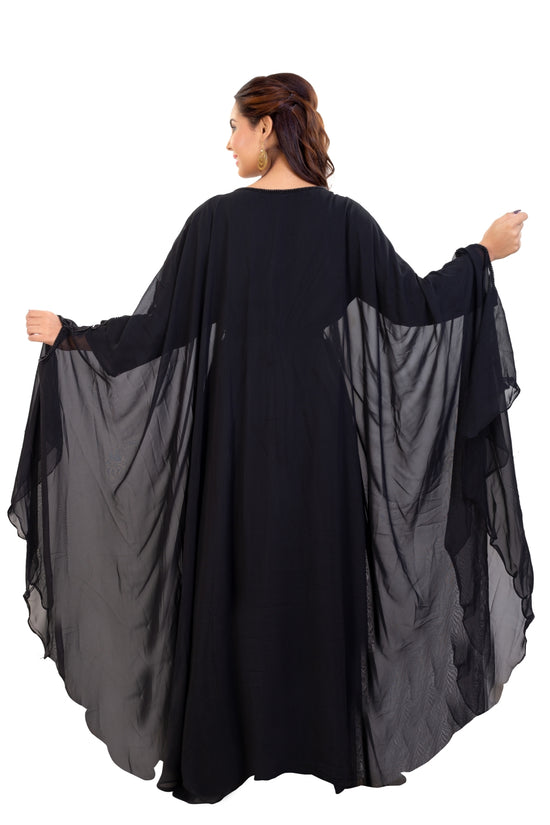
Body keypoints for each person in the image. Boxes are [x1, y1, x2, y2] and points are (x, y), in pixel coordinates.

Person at [10, 72, 534, 805]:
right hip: (319, 425)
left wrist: (76, 337)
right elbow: (420, 304)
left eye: (234, 125)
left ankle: (230, 746)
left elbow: (159, 330)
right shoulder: (340, 222)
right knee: (309, 568)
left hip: (236, 425)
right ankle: (314, 739)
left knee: (236, 570)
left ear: (267, 127)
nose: (227, 142)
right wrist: (479, 255)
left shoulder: (218, 223)